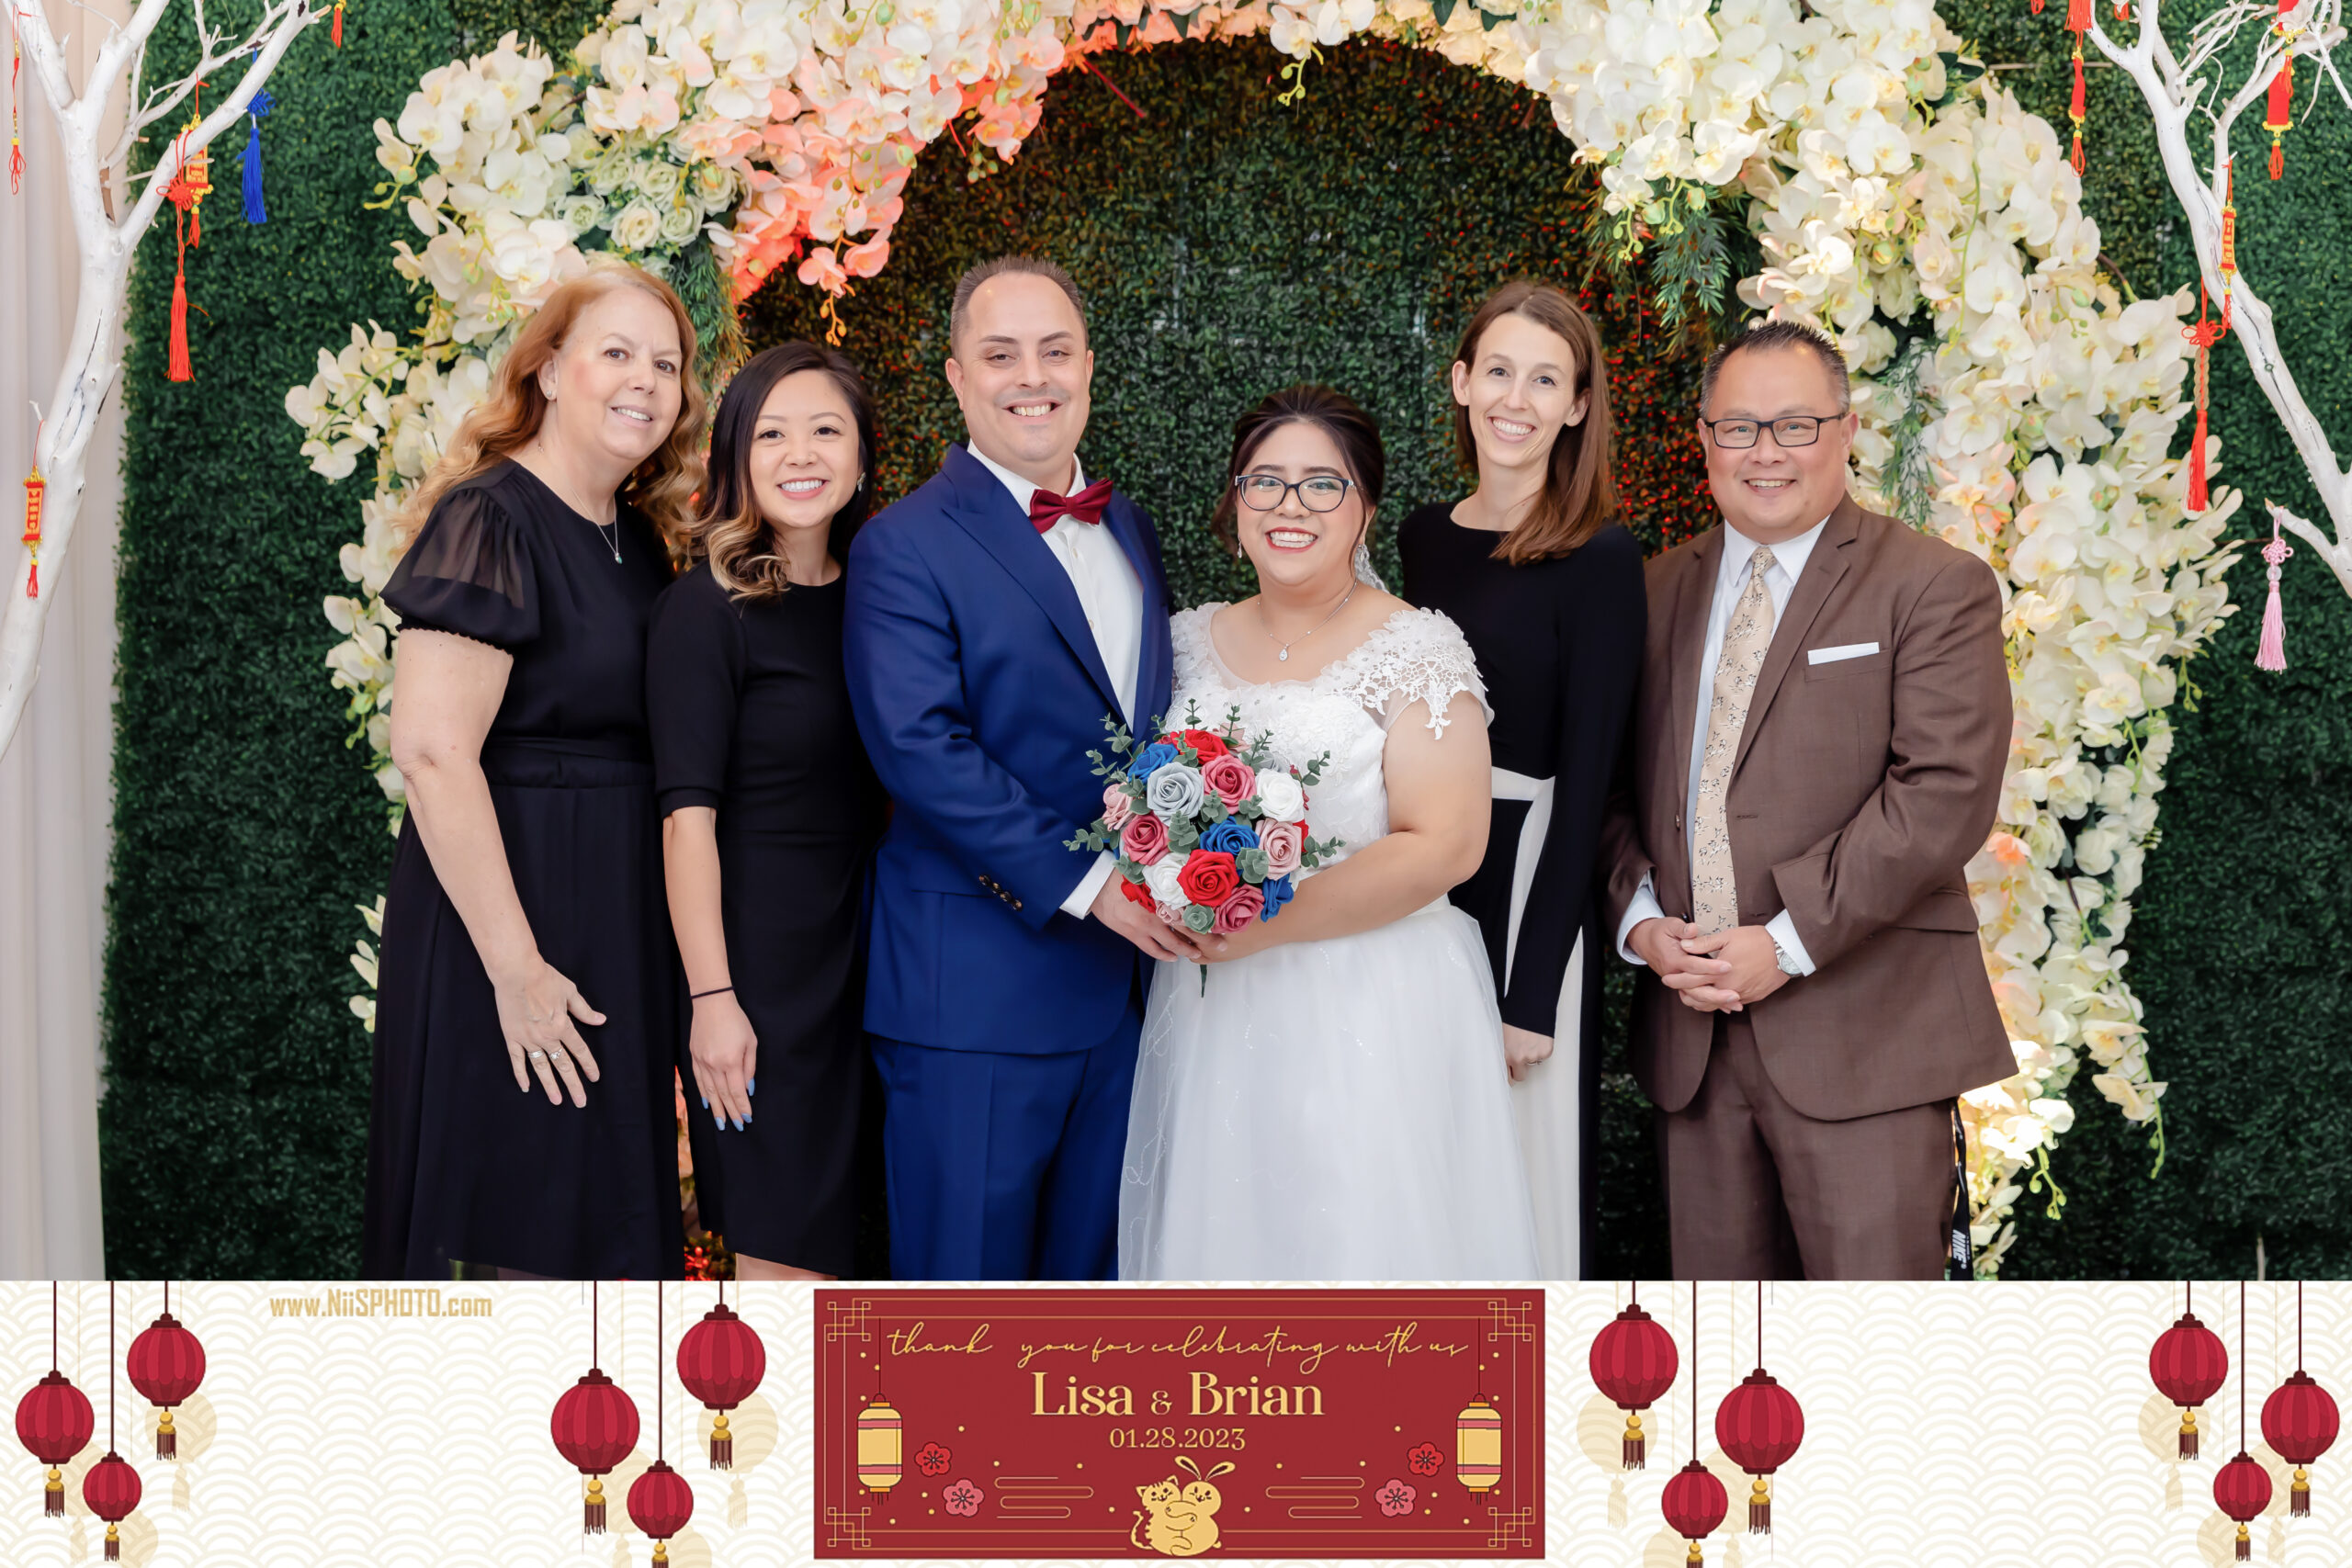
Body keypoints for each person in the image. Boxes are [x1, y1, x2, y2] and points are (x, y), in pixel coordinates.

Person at [1599, 318, 2014, 1280]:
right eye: (1739, 428)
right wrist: (1641, 922)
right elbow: (1606, 784)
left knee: (1873, 1345)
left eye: (1795, 426)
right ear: (1704, 439)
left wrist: (1783, 944)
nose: (1766, 453)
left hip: (1867, 1034)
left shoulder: (1932, 585)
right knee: (1723, 1343)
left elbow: (1942, 793)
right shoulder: (1653, 591)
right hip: (1692, 1036)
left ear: (1847, 430)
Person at [1119, 384, 1540, 1280]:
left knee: (1358, 1248)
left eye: (1322, 484)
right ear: (1235, 503)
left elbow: (1447, 844)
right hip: (1215, 1007)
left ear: (1366, 510)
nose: (1290, 506)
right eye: (1264, 482)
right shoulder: (1181, 642)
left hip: (1371, 1002)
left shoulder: (1416, 649)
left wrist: (1260, 922)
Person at [842, 255, 1184, 1281]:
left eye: (1054, 351)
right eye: (1000, 355)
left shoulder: (1128, 526)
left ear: (1088, 368)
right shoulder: (901, 544)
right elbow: (921, 750)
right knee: (963, 1313)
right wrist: (1095, 887)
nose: (1032, 377)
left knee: (1090, 1310)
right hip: (973, 1000)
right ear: (957, 379)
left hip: (1126, 998)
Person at [362, 259, 707, 1280]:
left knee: (599, 1241)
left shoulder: (638, 539)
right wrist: (516, 971)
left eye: (667, 364)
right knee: (528, 1237)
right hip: (512, 925)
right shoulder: (492, 516)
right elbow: (432, 751)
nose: (646, 380)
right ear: (550, 372)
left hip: (610, 922)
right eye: (617, 353)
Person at [1399, 280, 1645, 1281]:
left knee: (1524, 1170)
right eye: (1498, 371)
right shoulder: (1421, 535)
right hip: (1419, 875)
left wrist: (1530, 994)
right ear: (1461, 382)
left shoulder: (1601, 557)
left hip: (1530, 878)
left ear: (1578, 406)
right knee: (1424, 1160)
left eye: (1546, 380)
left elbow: (1589, 783)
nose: (1517, 398)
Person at [648, 342, 888, 1280]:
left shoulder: (884, 599)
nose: (801, 454)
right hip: (758, 979)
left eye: (826, 430)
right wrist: (713, 1000)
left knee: (865, 1257)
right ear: (735, 458)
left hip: (870, 963)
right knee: (786, 1261)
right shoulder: (706, 610)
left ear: (862, 456)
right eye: (772, 434)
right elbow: (686, 821)